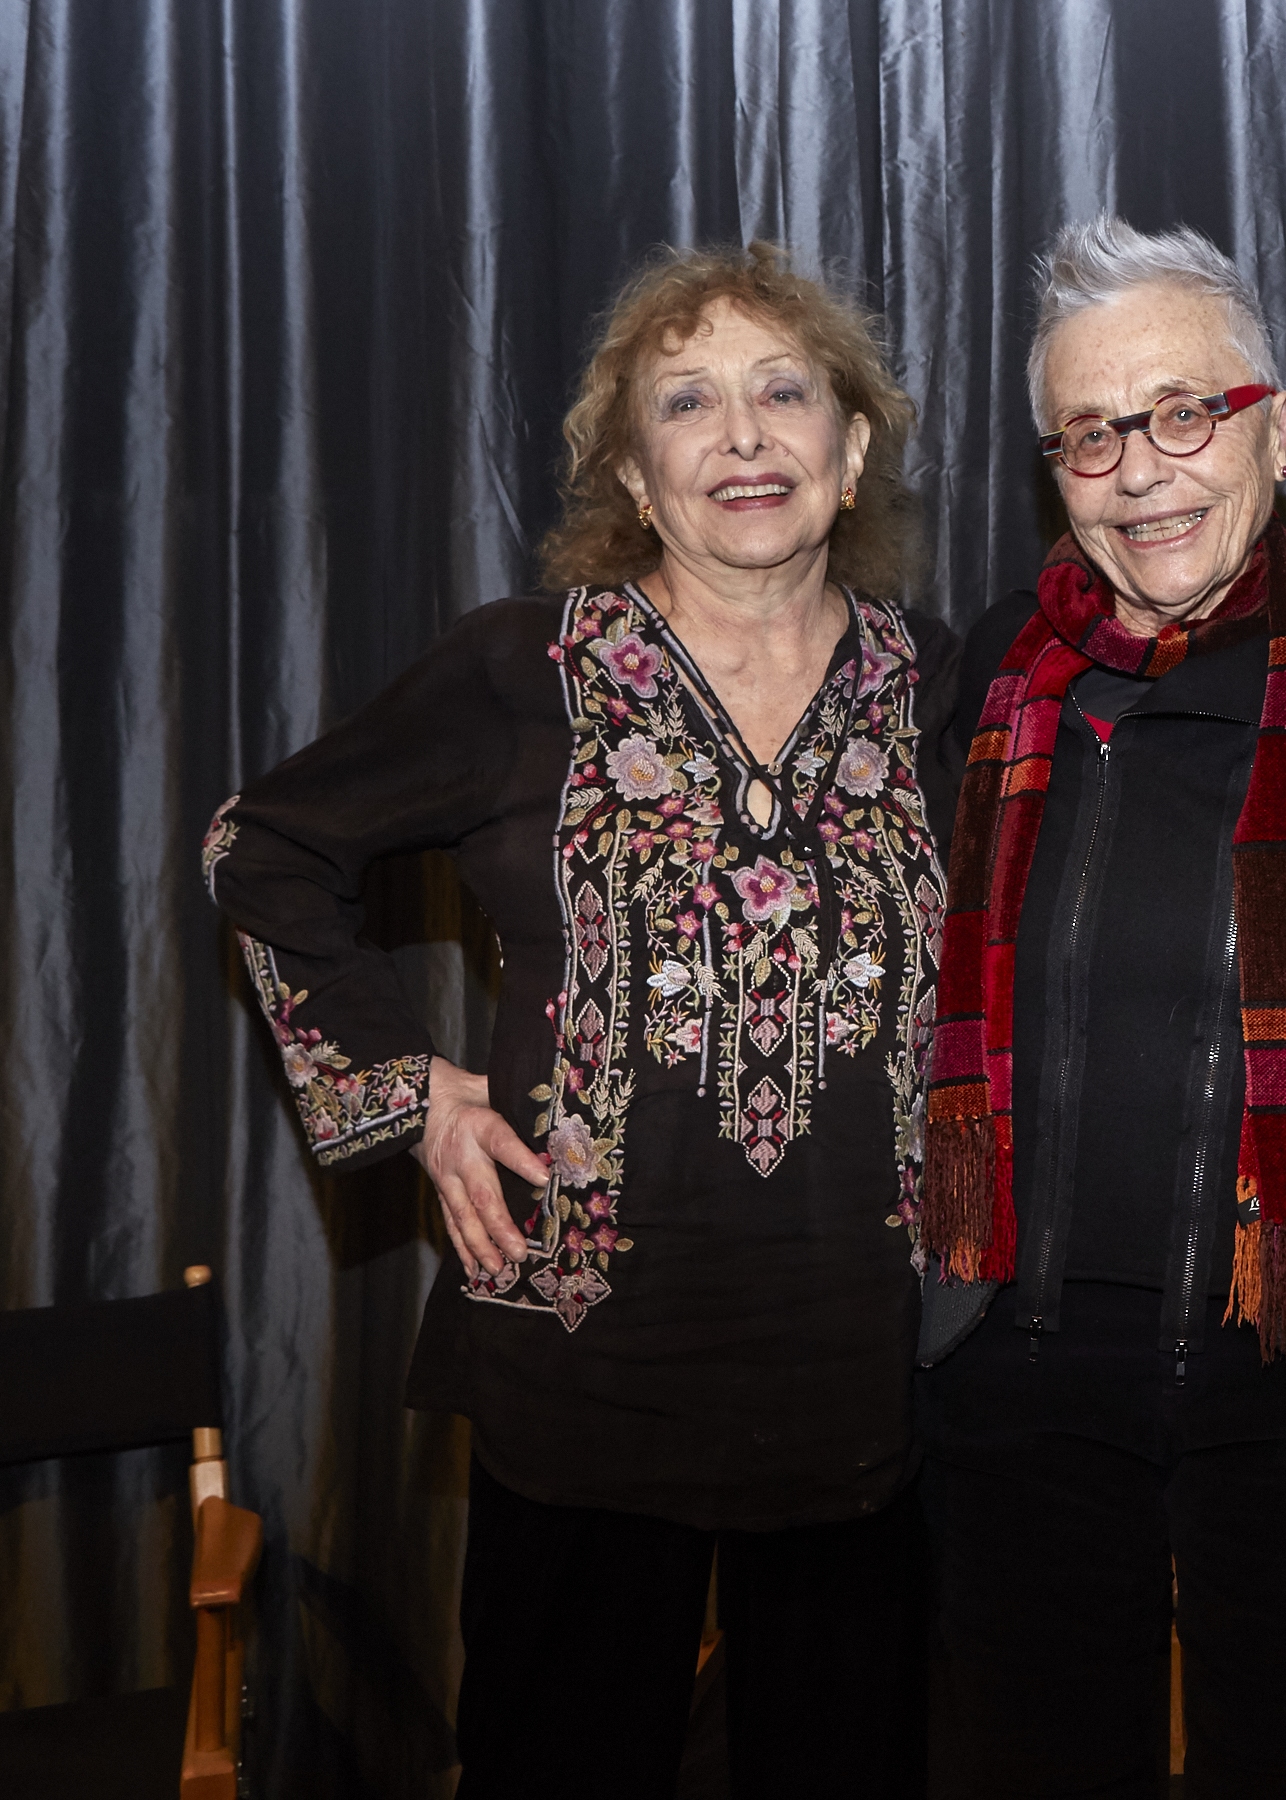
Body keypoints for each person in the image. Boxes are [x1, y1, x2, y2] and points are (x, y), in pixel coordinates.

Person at [203, 243, 957, 1799]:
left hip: (867, 1380)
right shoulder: (519, 671)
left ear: (853, 443)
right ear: (633, 464)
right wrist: (412, 1089)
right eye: (688, 403)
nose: (744, 438)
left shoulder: (944, 690)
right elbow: (259, 847)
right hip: (587, 1364)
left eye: (783, 394)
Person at [913, 215, 1286, 1799]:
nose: (1142, 468)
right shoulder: (987, 686)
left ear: (1274, 427)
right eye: (1092, 433)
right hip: (1016, 1369)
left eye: (1183, 413)